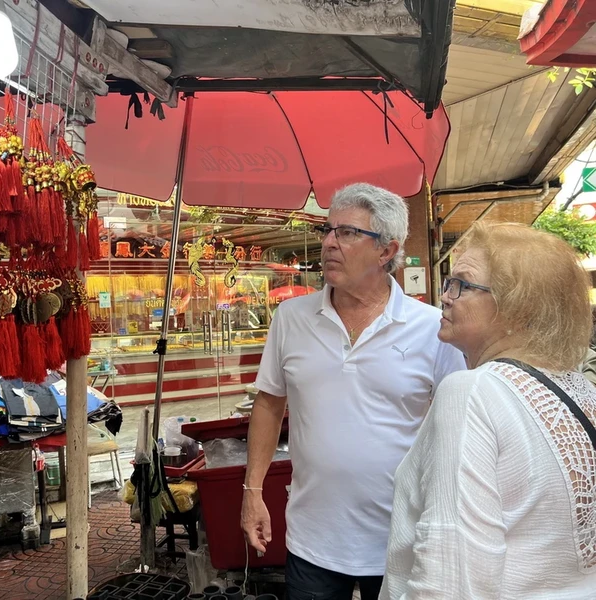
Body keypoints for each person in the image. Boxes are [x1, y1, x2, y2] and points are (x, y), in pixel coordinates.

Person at [241, 183, 466, 600]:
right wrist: (252, 491)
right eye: (327, 231)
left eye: (346, 233)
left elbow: (458, 427)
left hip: (403, 536)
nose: (329, 243)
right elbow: (270, 404)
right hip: (312, 539)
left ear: (386, 251)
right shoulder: (291, 318)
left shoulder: (432, 327)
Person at [380, 222, 596, 599]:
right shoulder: (580, 390)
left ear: (516, 308)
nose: (445, 297)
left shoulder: (471, 391)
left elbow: (450, 577)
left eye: (462, 284)